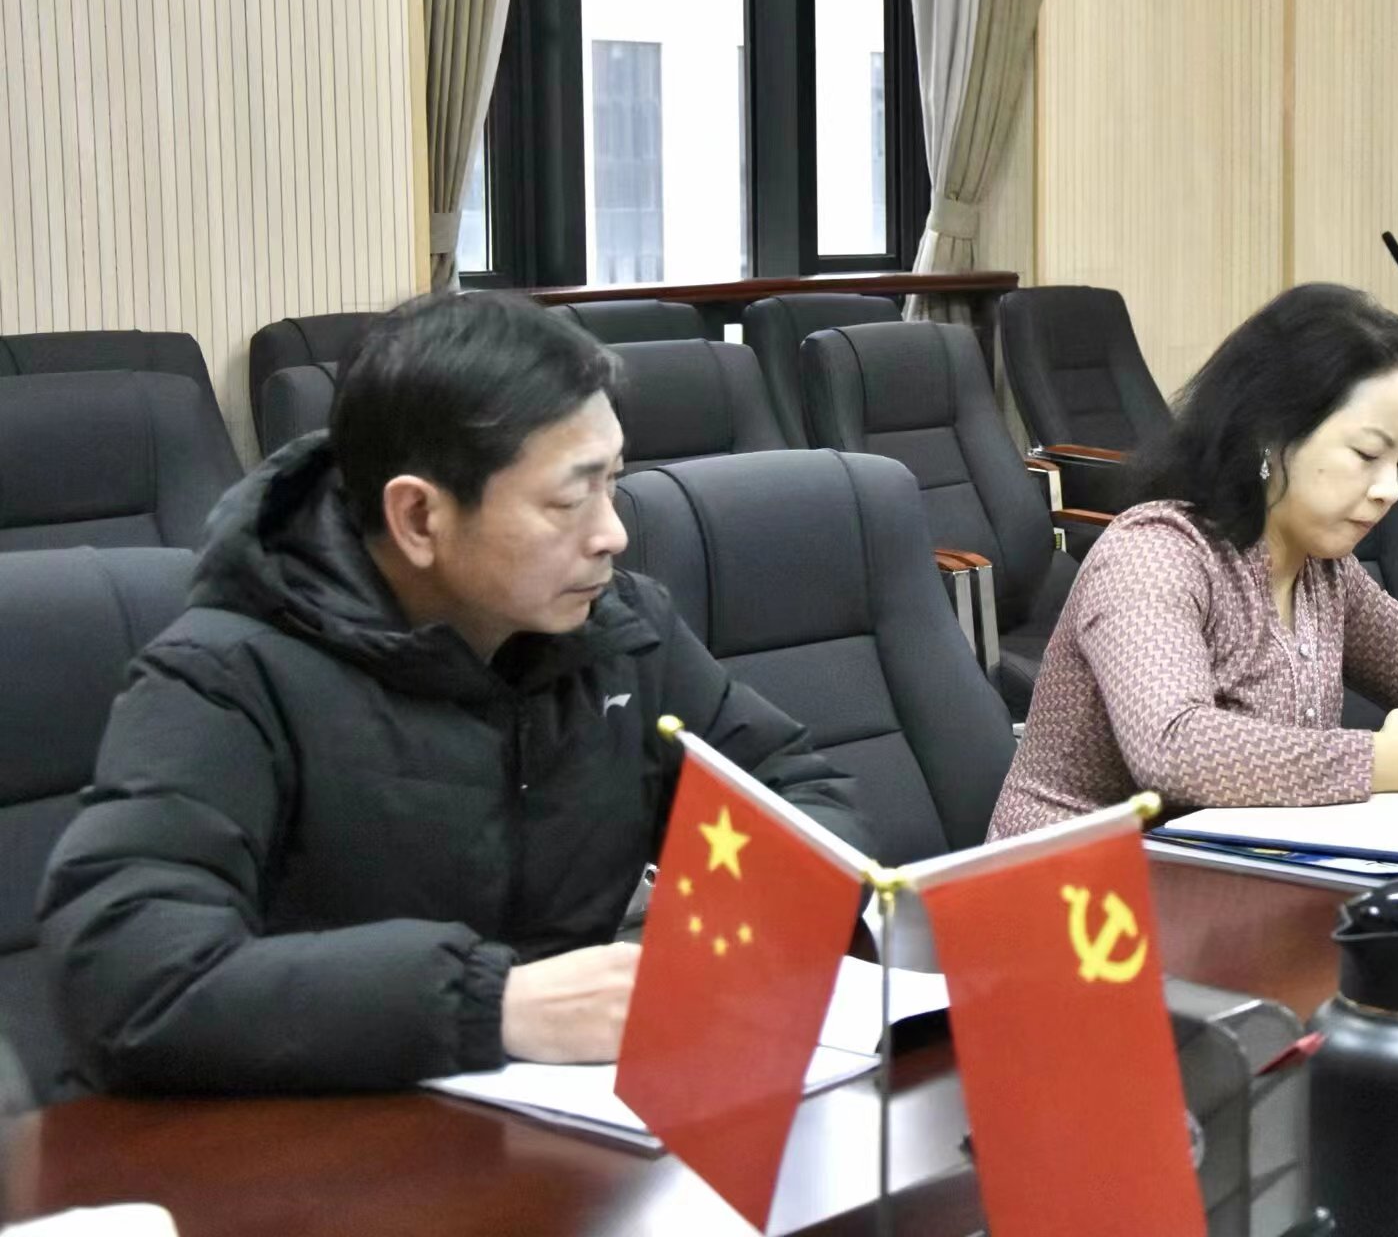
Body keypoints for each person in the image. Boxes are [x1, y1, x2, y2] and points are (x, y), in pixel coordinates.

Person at [39, 293, 866, 1095]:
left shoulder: (622, 633)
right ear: (418, 519)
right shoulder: (226, 675)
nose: (612, 533)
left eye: (614, 483)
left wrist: (721, 935)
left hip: (563, 1123)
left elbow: (800, 795)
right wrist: (493, 1005)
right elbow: (128, 971)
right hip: (308, 1139)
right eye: (569, 500)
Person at [988, 284, 1398, 838]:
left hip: (1231, 864)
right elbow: (1173, 747)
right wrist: (1389, 760)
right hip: (1075, 873)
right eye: (1367, 454)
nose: (1389, 490)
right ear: (1270, 431)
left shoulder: (1321, 569)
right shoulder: (1154, 553)